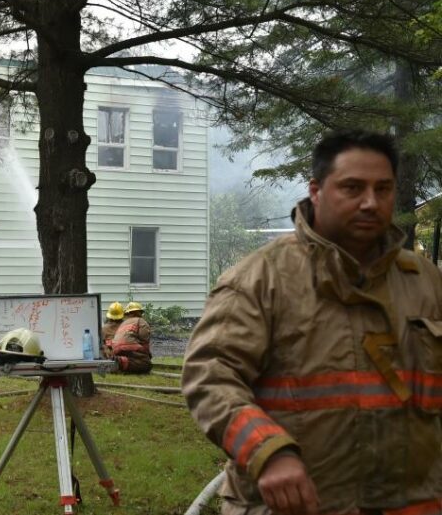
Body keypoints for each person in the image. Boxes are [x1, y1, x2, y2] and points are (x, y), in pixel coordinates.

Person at [182, 130, 442, 515]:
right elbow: (210, 377)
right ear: (316, 191)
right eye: (352, 188)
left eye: (383, 189)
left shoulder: (425, 281)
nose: (370, 202)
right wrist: (268, 452)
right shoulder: (260, 278)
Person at [107, 301, 152, 374]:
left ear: (128, 313)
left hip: (116, 349)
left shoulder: (124, 323)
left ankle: (118, 361)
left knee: (132, 359)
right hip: (131, 347)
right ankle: (119, 362)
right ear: (139, 312)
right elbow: (144, 340)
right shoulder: (141, 321)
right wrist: (147, 356)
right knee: (146, 364)